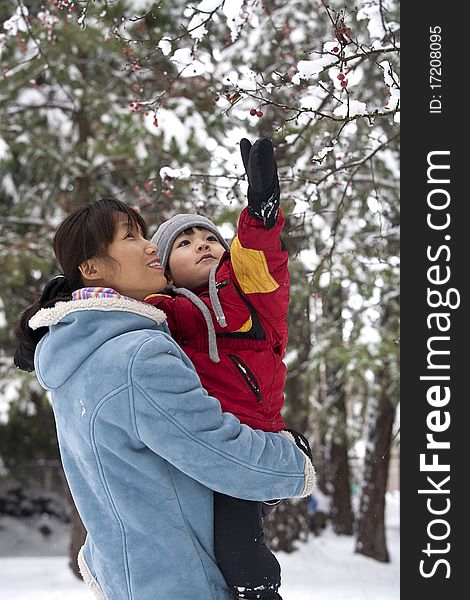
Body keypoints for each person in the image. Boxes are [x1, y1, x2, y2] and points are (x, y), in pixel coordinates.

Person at [13, 197, 316, 600]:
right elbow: (220, 452)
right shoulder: (139, 355)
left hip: (134, 577)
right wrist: (293, 458)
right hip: (184, 580)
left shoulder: (73, 357)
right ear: (92, 269)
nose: (150, 246)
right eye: (131, 236)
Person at [144, 138, 306, 599]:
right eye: (185, 242)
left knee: (240, 555)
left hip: (249, 445)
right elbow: (113, 311)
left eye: (210, 238)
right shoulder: (163, 309)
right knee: (194, 554)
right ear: (165, 269)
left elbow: (259, 253)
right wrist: (58, 311)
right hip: (195, 445)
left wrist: (261, 212)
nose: (203, 245)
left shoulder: (249, 291)